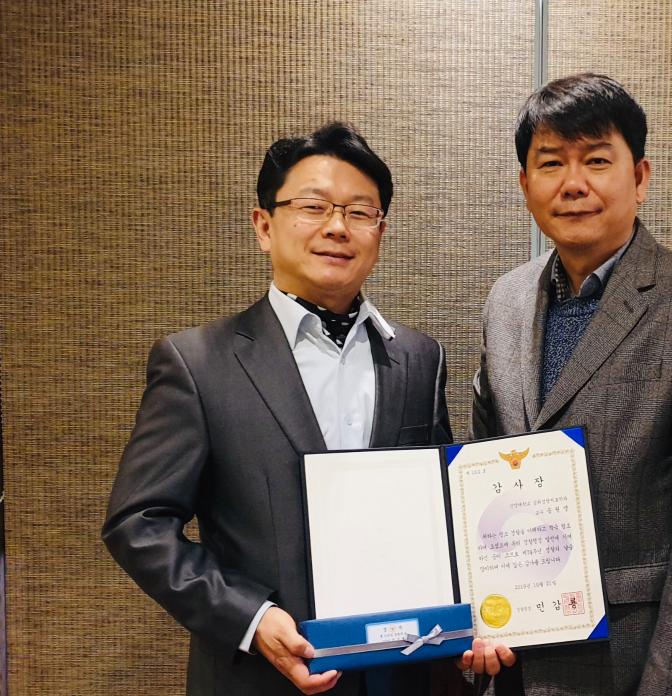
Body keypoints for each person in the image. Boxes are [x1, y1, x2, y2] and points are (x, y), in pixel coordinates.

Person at [103, 123, 452, 696]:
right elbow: (137, 525)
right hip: (257, 679)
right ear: (264, 226)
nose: (337, 227)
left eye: (360, 212)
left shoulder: (420, 358)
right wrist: (250, 617)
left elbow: (440, 512)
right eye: (313, 206)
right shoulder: (197, 363)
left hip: (400, 674)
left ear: (380, 232)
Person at [466, 74, 672, 695]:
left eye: (597, 160)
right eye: (551, 163)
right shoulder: (505, 300)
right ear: (525, 184)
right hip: (514, 659)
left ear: (640, 177)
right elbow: (483, 465)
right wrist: (478, 619)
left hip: (633, 663)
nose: (573, 183)